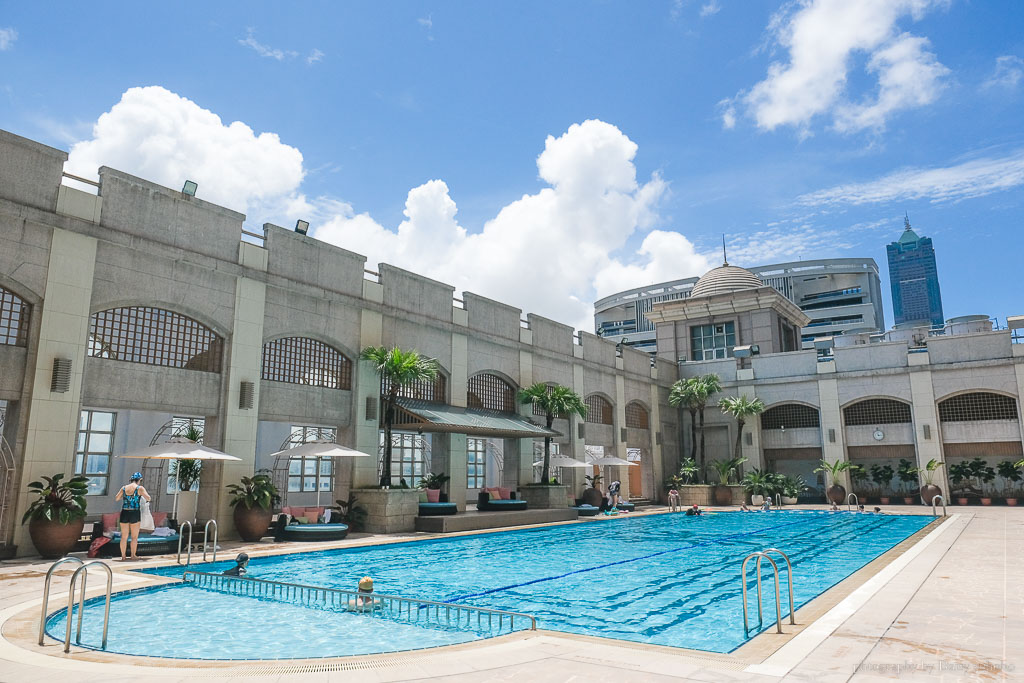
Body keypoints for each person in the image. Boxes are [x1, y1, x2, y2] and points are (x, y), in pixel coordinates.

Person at [114, 472, 151, 561]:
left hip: (124, 512)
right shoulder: (140, 488)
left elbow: (117, 498)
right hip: (135, 512)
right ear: (139, 480)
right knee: (134, 537)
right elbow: (148, 498)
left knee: (124, 536)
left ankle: (123, 556)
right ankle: (133, 555)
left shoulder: (124, 488)